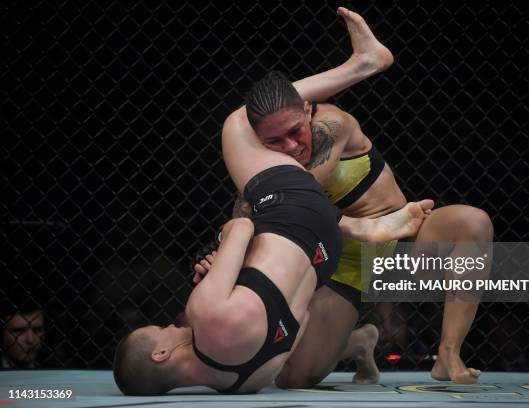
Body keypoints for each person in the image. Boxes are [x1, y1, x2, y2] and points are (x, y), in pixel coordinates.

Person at [113, 8, 434, 395]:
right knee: (237, 124)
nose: (170, 325)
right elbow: (243, 226)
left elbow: (292, 322)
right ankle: (363, 64)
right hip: (296, 213)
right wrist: (221, 260)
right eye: (160, 329)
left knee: (293, 355)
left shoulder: (250, 381)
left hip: (321, 254)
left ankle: (355, 228)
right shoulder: (205, 314)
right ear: (161, 353)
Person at [195, 7, 492, 387]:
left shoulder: (332, 125)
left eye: (294, 131)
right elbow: (253, 212)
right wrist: (220, 256)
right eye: (274, 141)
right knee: (294, 378)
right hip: (338, 269)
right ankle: (358, 342)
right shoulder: (266, 163)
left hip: (399, 247)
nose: (290, 146)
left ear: (306, 109)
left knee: (473, 222)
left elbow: (298, 204)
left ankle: (449, 354)